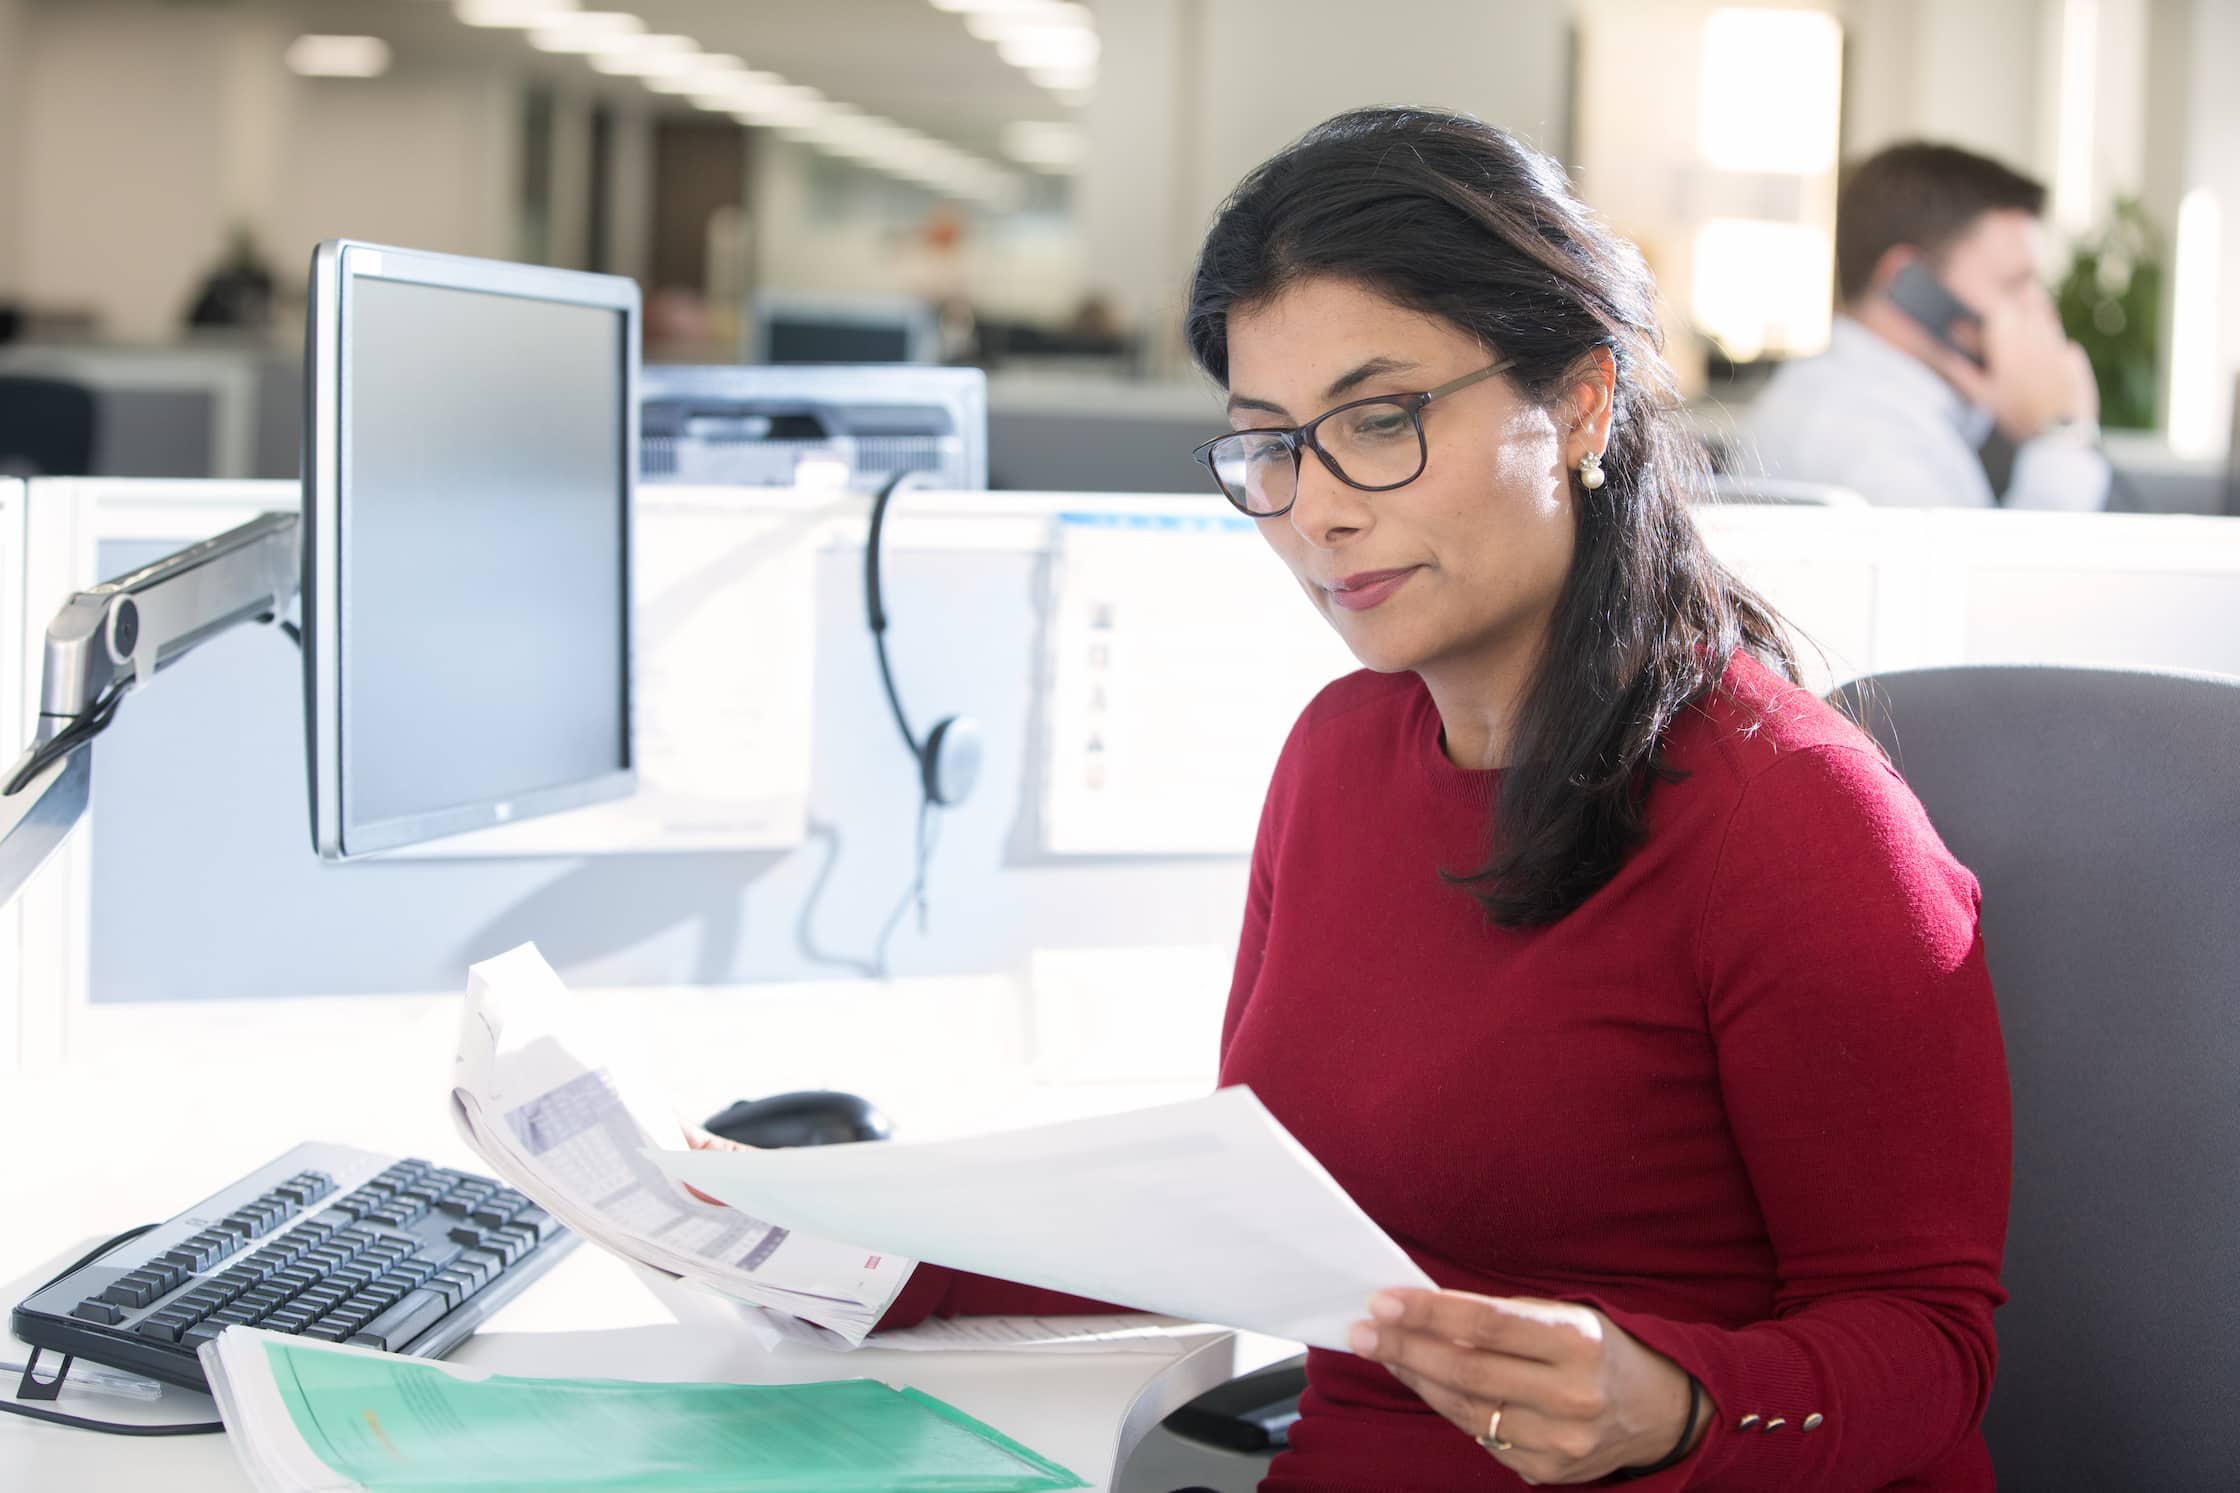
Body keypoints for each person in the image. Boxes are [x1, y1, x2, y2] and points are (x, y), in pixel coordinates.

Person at [704, 108, 2013, 1491]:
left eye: (1380, 421)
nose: (1315, 510)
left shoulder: (1797, 819)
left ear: (1580, 402)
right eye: (1269, 443)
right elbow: (1252, 1227)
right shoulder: (1337, 757)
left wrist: (1677, 1405)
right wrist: (828, 1244)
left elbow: (1932, 1348)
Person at [1741, 141, 2108, 509]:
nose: (2041, 310)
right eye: (2013, 285)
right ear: (1909, 284)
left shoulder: (1891, 405)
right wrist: (2062, 438)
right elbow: (2001, 569)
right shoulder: (1864, 434)